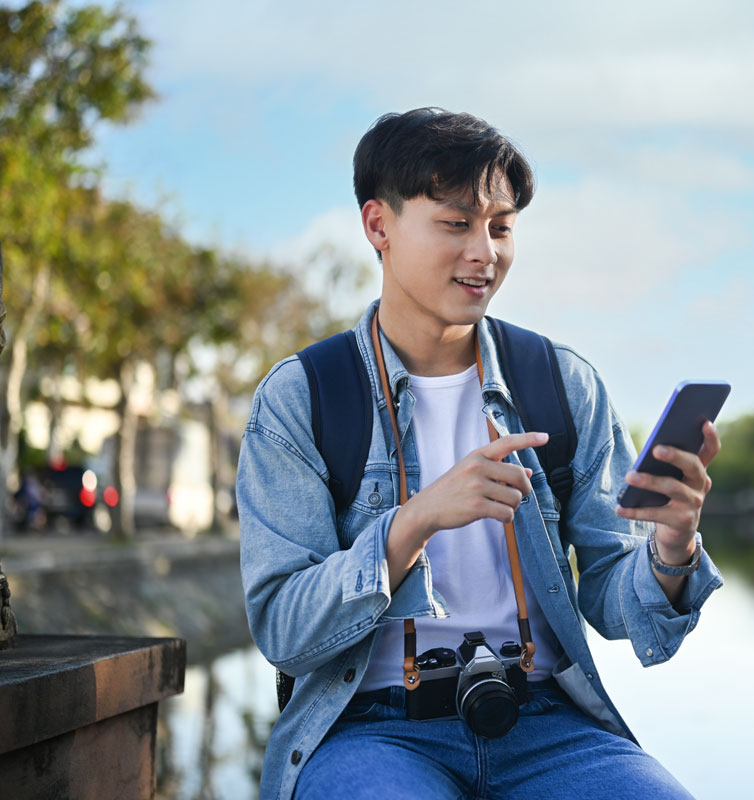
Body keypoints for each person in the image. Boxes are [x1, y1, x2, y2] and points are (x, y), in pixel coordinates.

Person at [237, 108, 723, 800]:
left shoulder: (560, 381)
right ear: (379, 225)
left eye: (501, 227)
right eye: (456, 223)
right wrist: (414, 522)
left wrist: (672, 549)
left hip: (547, 722)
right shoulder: (305, 397)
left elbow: (623, 611)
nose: (485, 252)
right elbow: (284, 631)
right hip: (372, 730)